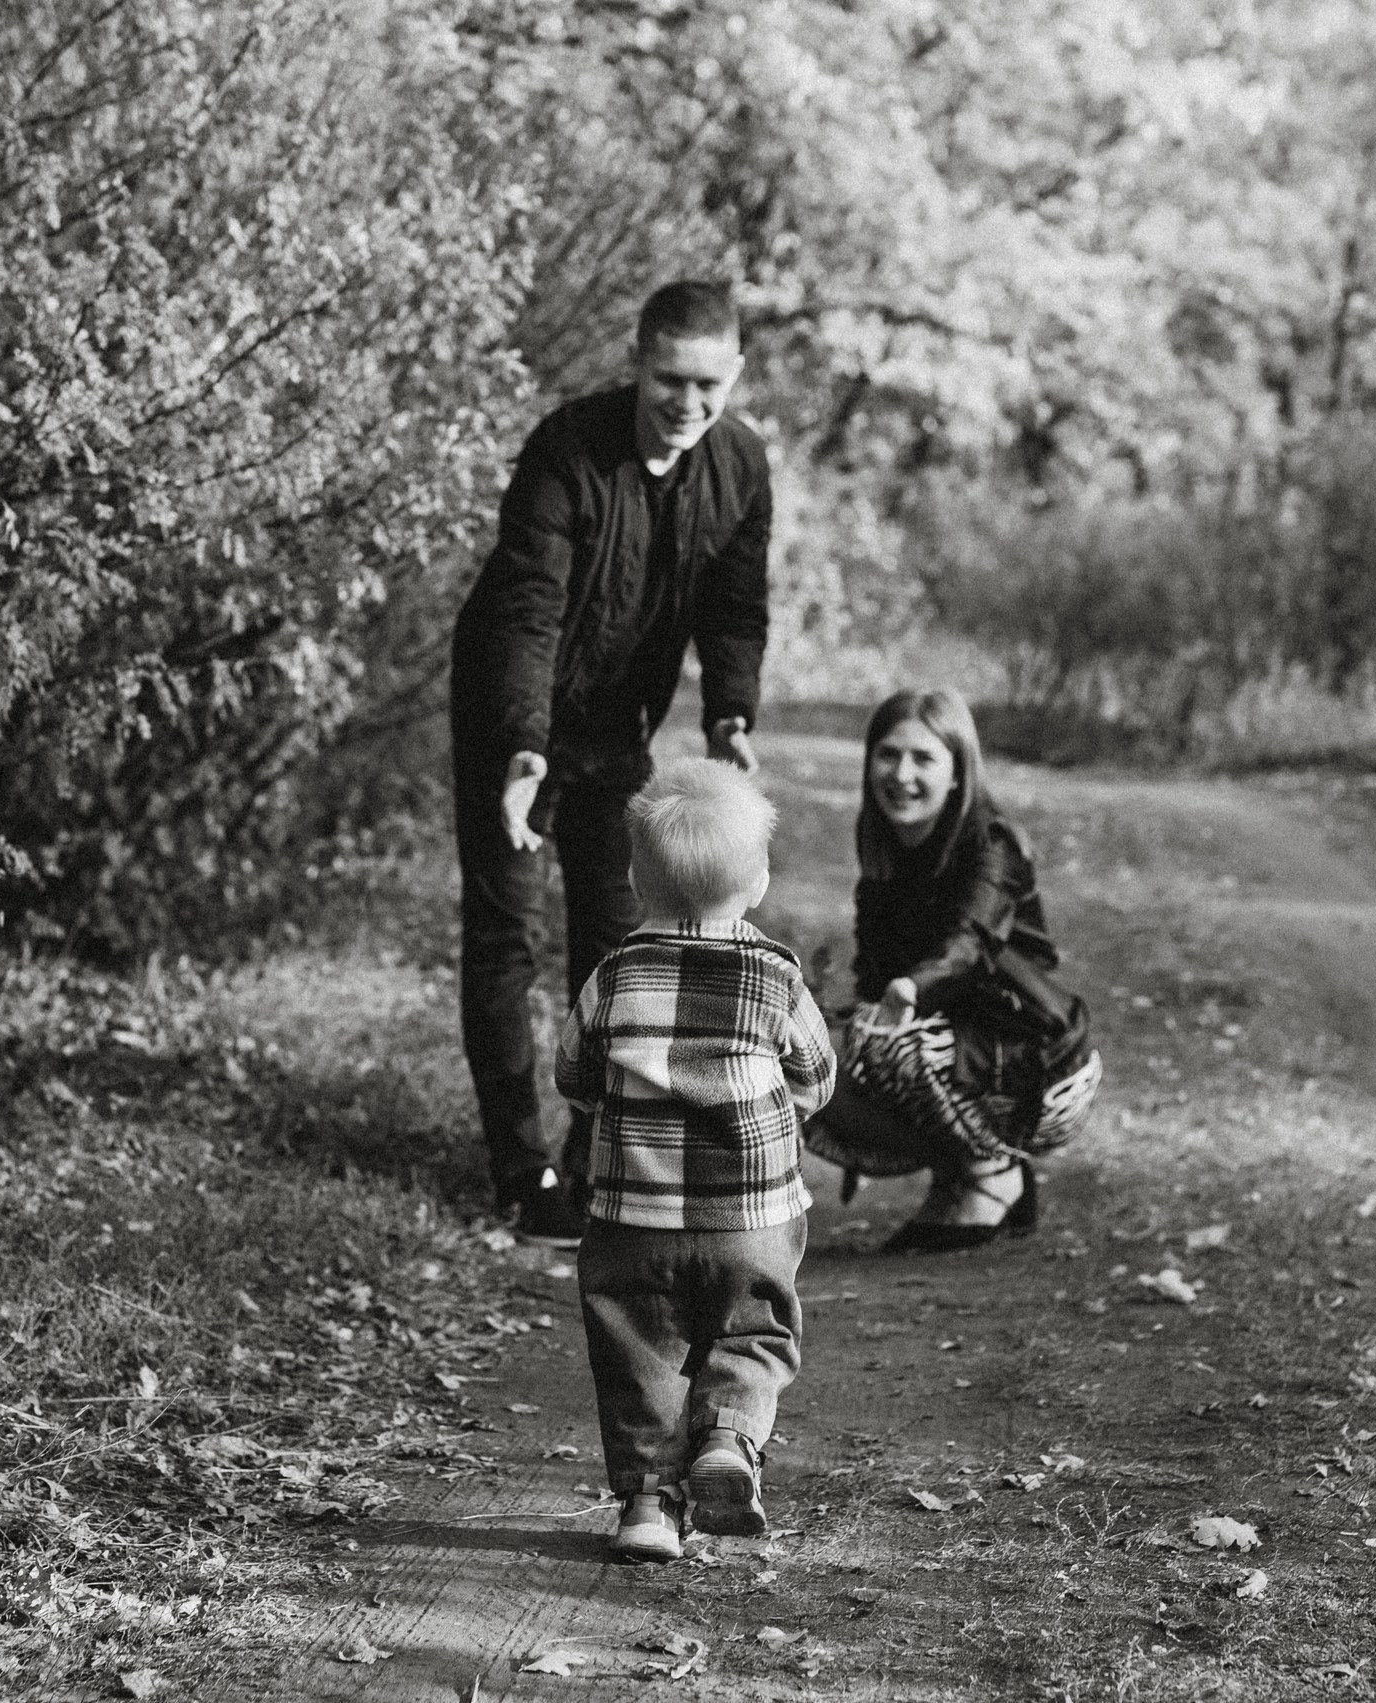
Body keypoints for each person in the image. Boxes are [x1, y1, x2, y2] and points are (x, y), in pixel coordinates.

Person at [449, 280, 772, 1245]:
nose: (687, 402)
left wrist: (731, 714)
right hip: (510, 719)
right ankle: (522, 1170)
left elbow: (735, 607)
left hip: (617, 728)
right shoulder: (567, 449)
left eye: (708, 384)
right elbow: (527, 608)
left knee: (619, 936)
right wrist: (520, 747)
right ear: (637, 362)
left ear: (735, 373)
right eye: (669, 378)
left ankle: (598, 1155)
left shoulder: (741, 466)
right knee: (509, 935)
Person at [553, 758, 834, 1563]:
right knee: (752, 1327)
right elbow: (817, 1077)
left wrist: (618, 1108)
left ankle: (646, 1505)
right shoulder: (776, 978)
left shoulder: (612, 976)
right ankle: (728, 1441)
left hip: (632, 1218)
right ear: (758, 882)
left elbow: (573, 1075)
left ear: (638, 882)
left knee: (640, 1347)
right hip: (750, 1217)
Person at [806, 688, 1100, 1253]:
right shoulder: (887, 850)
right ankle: (960, 1173)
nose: (901, 774)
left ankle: (992, 1176)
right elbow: (870, 975)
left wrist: (908, 989)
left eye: (924, 758)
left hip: (1031, 1056)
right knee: (798, 1056)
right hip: (946, 1043)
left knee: (892, 1045)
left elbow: (968, 945)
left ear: (959, 773)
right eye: (888, 754)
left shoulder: (992, 844)